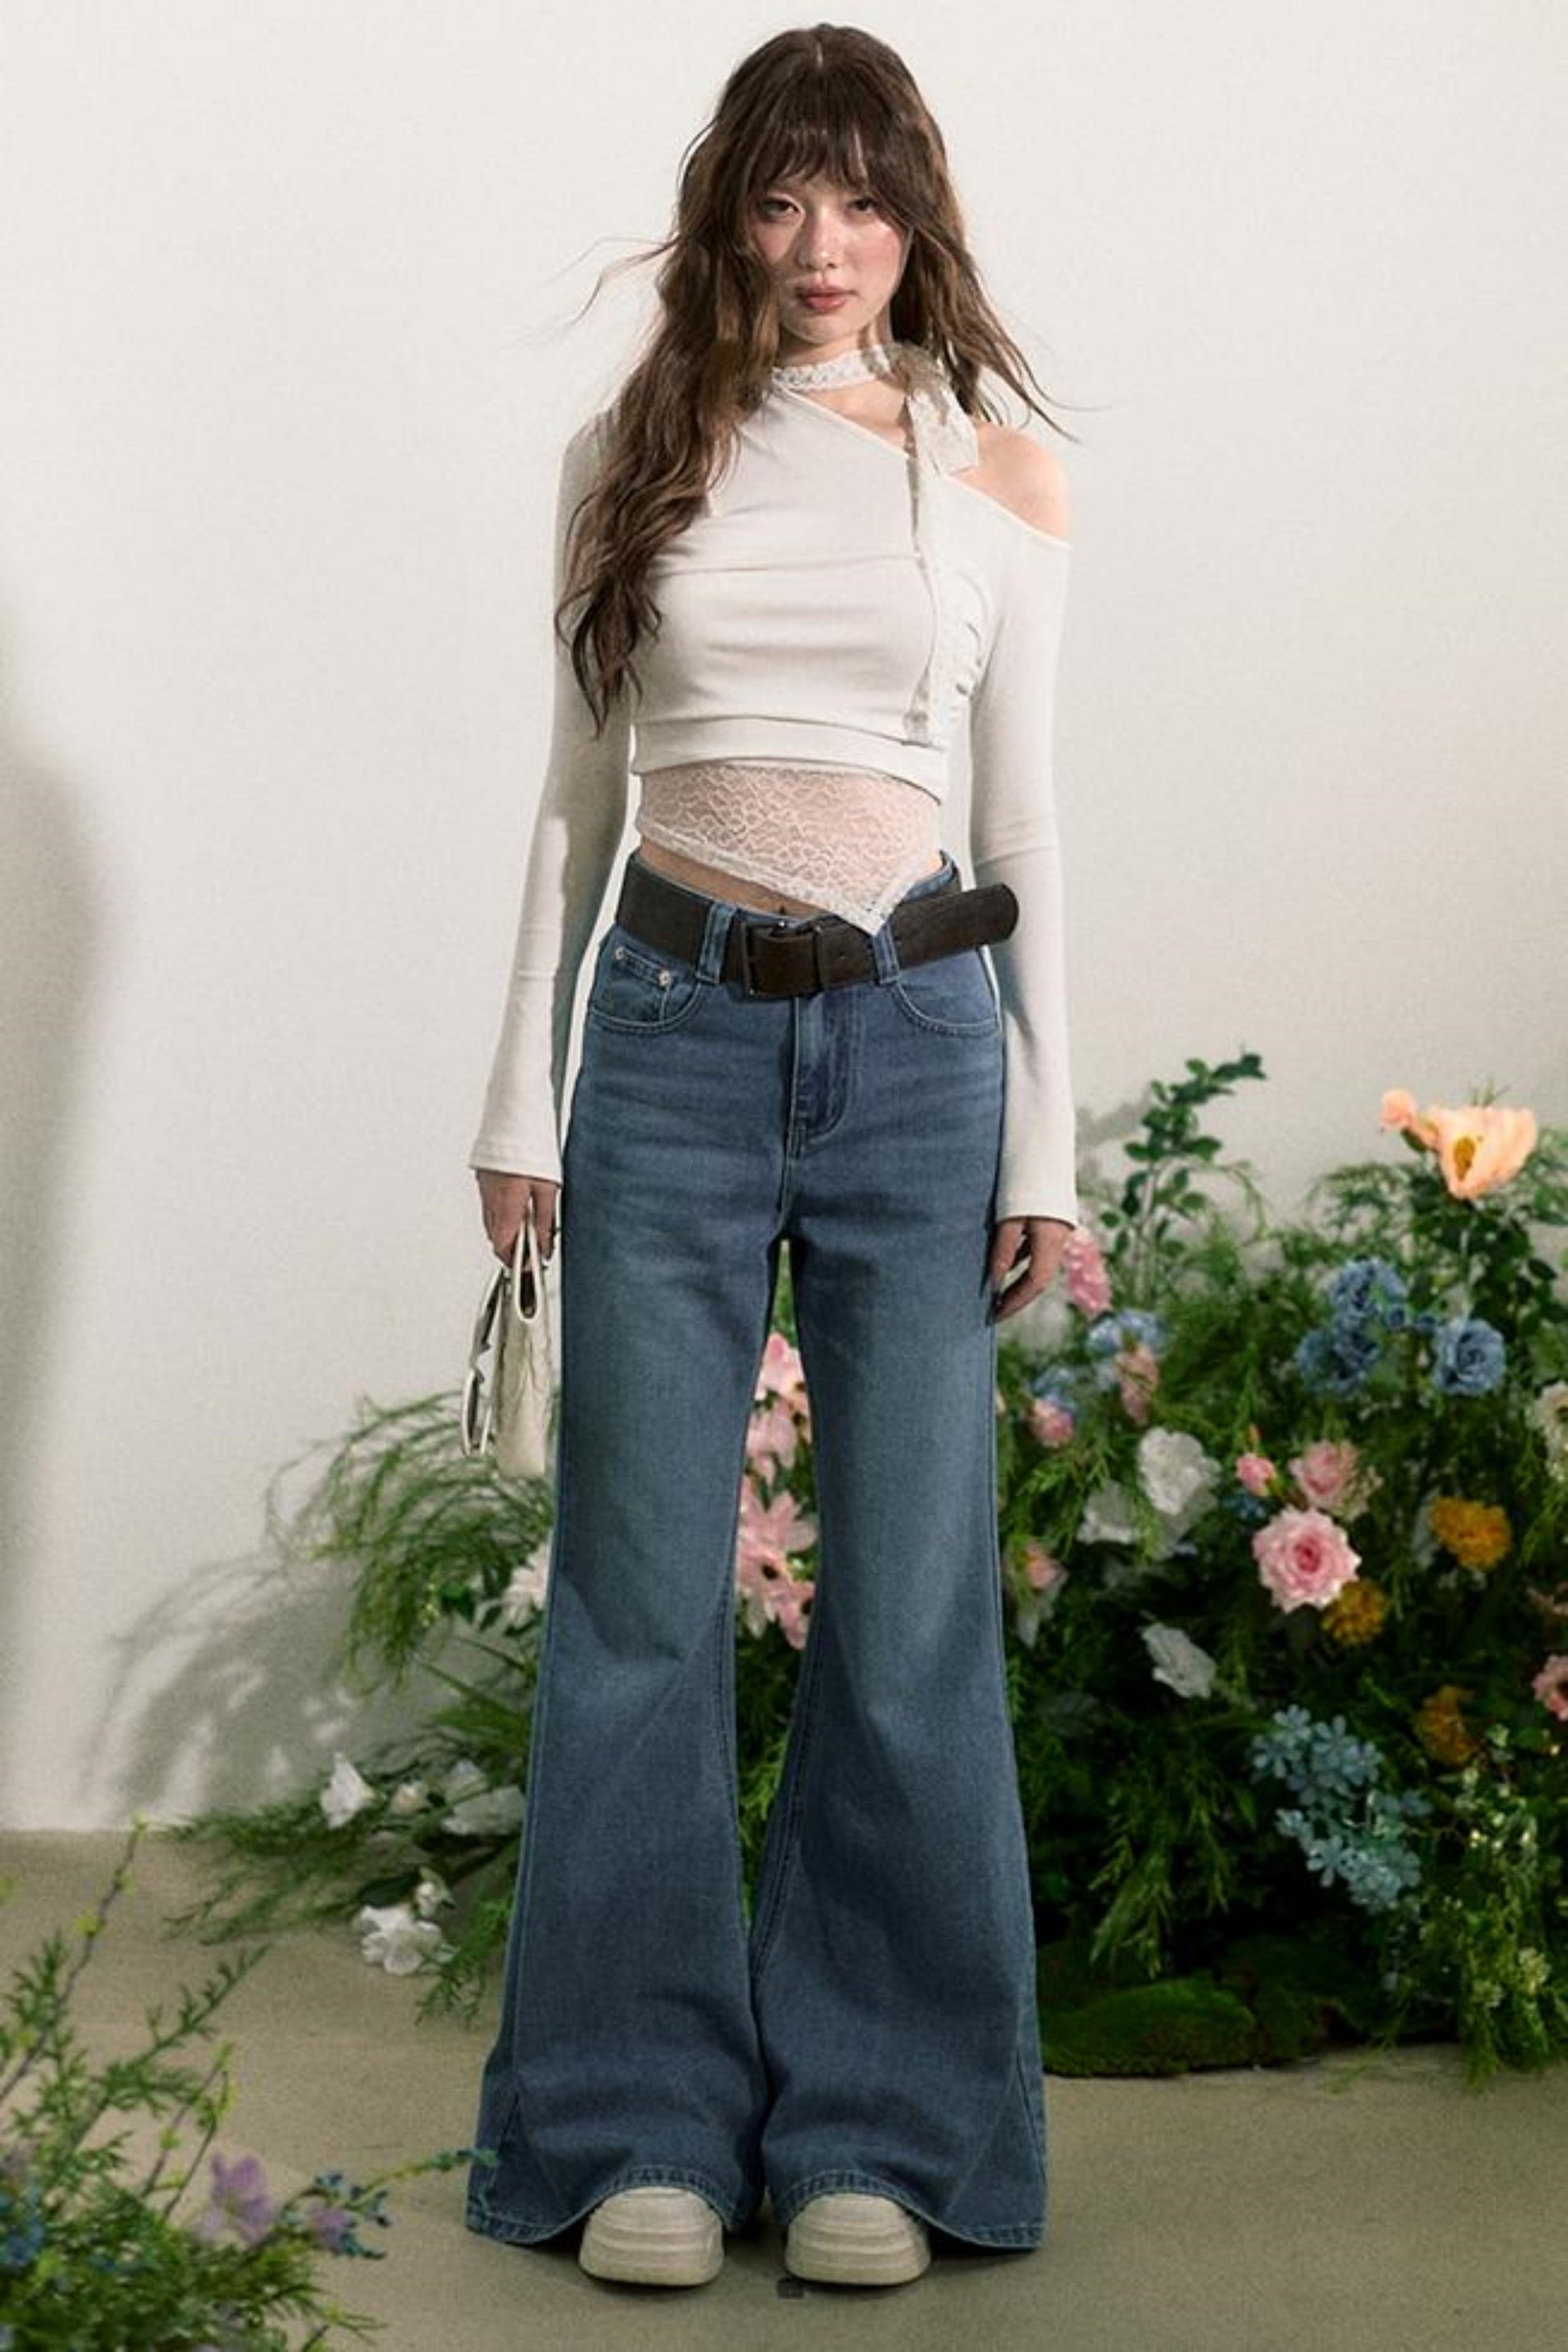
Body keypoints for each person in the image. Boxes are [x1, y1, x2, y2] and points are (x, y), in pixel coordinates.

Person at [463, 22, 1080, 2294]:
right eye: (782, 198)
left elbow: (1023, 822)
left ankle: (880, 2137)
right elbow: (573, 799)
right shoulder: (629, 452)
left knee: (909, 1607)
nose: (825, 246)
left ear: (919, 219)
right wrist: (514, 1101)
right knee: (637, 1595)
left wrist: (1049, 1140)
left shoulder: (995, 476)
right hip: (669, 1032)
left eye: (865, 199)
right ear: (727, 214)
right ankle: (629, 2120)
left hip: (920, 1046)